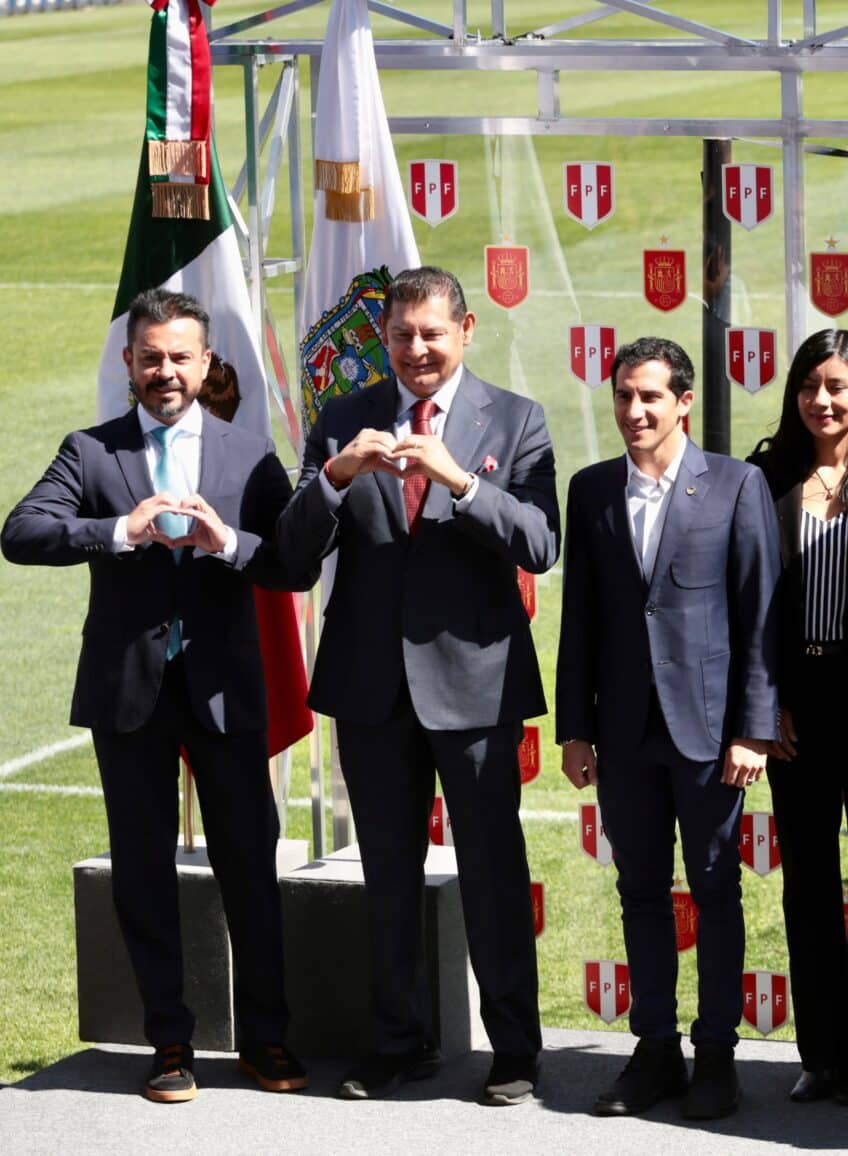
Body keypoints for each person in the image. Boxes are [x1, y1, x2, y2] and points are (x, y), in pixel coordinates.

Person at [1, 289, 316, 1103]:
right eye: (151, 357)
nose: (165, 371)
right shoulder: (91, 451)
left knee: (250, 865)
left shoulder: (249, 452)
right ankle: (169, 1042)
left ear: (206, 364)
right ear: (129, 362)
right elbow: (21, 532)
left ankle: (267, 1038)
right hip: (128, 694)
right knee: (142, 871)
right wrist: (119, 530)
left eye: (180, 357)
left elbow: (293, 565)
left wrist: (228, 542)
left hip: (225, 691)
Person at [276, 266, 558, 1106]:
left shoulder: (515, 418)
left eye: (432, 333)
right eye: (401, 335)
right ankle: (399, 1042)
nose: (417, 350)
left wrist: (461, 482)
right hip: (370, 690)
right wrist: (334, 478)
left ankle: (514, 1050)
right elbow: (291, 558)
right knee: (388, 876)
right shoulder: (342, 418)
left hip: (475, 690)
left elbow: (540, 543)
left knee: (493, 874)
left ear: (466, 330)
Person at [556, 337, 779, 1121]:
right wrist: (574, 728)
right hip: (623, 734)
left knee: (715, 890)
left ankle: (716, 1055)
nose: (634, 410)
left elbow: (760, 617)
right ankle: (654, 1050)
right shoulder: (590, 489)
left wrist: (753, 729)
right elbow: (579, 617)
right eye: (623, 395)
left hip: (710, 736)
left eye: (650, 396)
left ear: (684, 402)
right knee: (640, 891)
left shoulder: (737, 485)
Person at [744, 329, 848, 1107]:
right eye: (809, 386)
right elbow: (744, 601)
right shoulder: (764, 478)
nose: (821, 400)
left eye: (838, 386)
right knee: (808, 884)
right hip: (795, 708)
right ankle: (822, 1053)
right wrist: (765, 702)